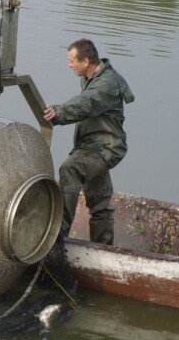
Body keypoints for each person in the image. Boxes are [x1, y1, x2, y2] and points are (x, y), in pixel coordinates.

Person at [43, 39, 134, 245]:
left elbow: (87, 103)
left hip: (106, 148)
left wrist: (58, 112)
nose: (69, 65)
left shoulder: (107, 83)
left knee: (71, 168)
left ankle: (57, 235)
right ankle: (102, 249)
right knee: (99, 202)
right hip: (92, 147)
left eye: (72, 61)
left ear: (85, 61)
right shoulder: (89, 76)